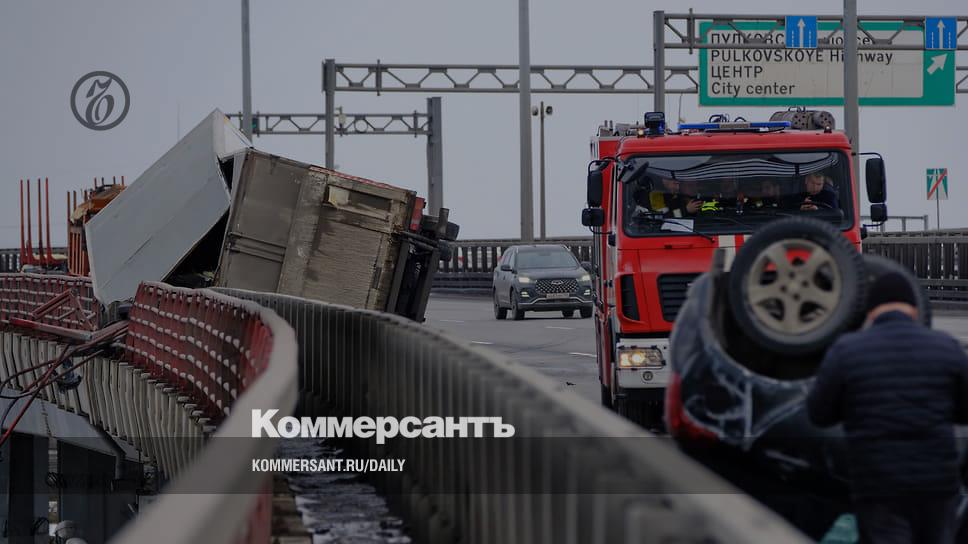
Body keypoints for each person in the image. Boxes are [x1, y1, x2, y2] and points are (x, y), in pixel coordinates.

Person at [807, 272, 968, 544]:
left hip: (879, 484)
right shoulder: (947, 347)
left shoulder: (847, 350)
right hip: (937, 483)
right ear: (914, 310)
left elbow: (818, 415)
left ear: (870, 312)